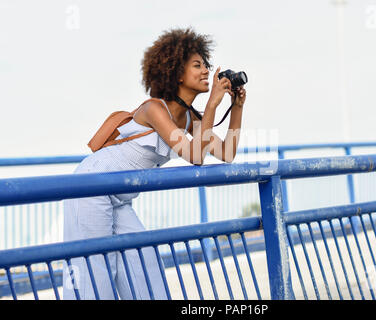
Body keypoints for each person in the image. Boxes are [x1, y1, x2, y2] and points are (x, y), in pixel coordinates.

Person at [62, 27, 246, 300]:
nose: (207, 70)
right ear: (176, 74)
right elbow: (195, 156)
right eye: (197, 65)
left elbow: (228, 152)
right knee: (94, 273)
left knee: (144, 265)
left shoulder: (190, 119)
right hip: (90, 186)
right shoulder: (154, 109)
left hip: (118, 197)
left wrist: (237, 108)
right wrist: (212, 106)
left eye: (206, 64)